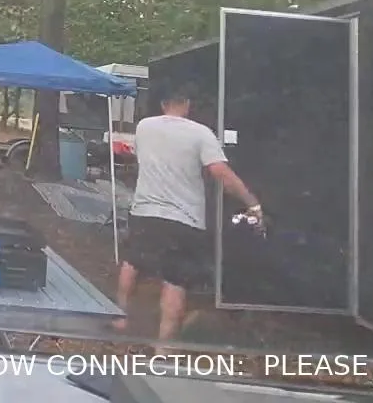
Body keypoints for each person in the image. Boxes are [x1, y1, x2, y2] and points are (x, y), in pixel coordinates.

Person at [109, 83, 263, 344]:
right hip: (184, 219)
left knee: (132, 262)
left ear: (163, 104)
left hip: (145, 211)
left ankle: (120, 318)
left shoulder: (144, 127)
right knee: (175, 281)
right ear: (188, 104)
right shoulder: (201, 133)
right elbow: (220, 172)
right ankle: (163, 348)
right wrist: (252, 202)